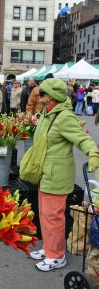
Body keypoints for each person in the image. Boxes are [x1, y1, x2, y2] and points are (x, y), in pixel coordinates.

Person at [28, 78, 99, 271]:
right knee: (44, 213)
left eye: (43, 92)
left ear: (52, 97)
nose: (39, 94)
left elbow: (82, 138)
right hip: (45, 172)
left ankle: (57, 256)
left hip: (57, 174)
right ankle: (49, 248)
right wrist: (34, 122)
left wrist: (93, 154)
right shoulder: (47, 113)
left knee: (53, 216)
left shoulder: (64, 117)